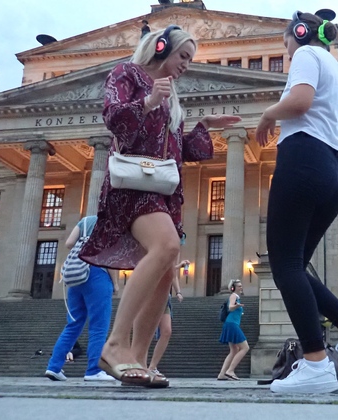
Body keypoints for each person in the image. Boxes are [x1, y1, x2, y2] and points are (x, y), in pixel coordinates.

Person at [78, 25, 241, 386]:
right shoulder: (127, 74)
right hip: (132, 189)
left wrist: (204, 125)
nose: (186, 65)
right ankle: (114, 344)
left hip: (161, 192)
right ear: (161, 47)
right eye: (183, 56)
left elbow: (178, 150)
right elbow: (113, 118)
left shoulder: (170, 98)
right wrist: (149, 101)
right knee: (167, 246)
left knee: (167, 271)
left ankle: (135, 359)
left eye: (190, 60)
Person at [255, 10, 338, 394]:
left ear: (299, 33)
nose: (286, 48)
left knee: (284, 264)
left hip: (303, 162)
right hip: (333, 172)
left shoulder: (307, 55)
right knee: (295, 265)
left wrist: (268, 114)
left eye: (285, 41)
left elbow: (301, 101)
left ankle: (315, 362)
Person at [45, 216, 116, 382]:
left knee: (73, 324)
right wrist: (115, 284)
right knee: (99, 325)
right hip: (98, 274)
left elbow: (69, 243)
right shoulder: (110, 222)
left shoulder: (85, 221)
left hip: (77, 275)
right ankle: (93, 370)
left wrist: (84, 242)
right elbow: (110, 258)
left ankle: (54, 367)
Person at [143, 257, 188, 385]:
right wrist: (178, 266)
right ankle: (142, 366)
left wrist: (178, 292)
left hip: (164, 296)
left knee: (166, 331)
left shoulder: (172, 253)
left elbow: (172, 275)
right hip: (150, 294)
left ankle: (152, 367)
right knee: (147, 332)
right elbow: (157, 269)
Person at [217, 279, 250, 380]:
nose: (241, 287)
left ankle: (222, 374)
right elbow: (230, 307)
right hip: (232, 324)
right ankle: (230, 371)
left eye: (241, 285)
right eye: (239, 286)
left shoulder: (237, 297)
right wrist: (237, 306)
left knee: (234, 350)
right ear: (233, 288)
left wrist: (238, 309)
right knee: (245, 347)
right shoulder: (234, 296)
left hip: (231, 324)